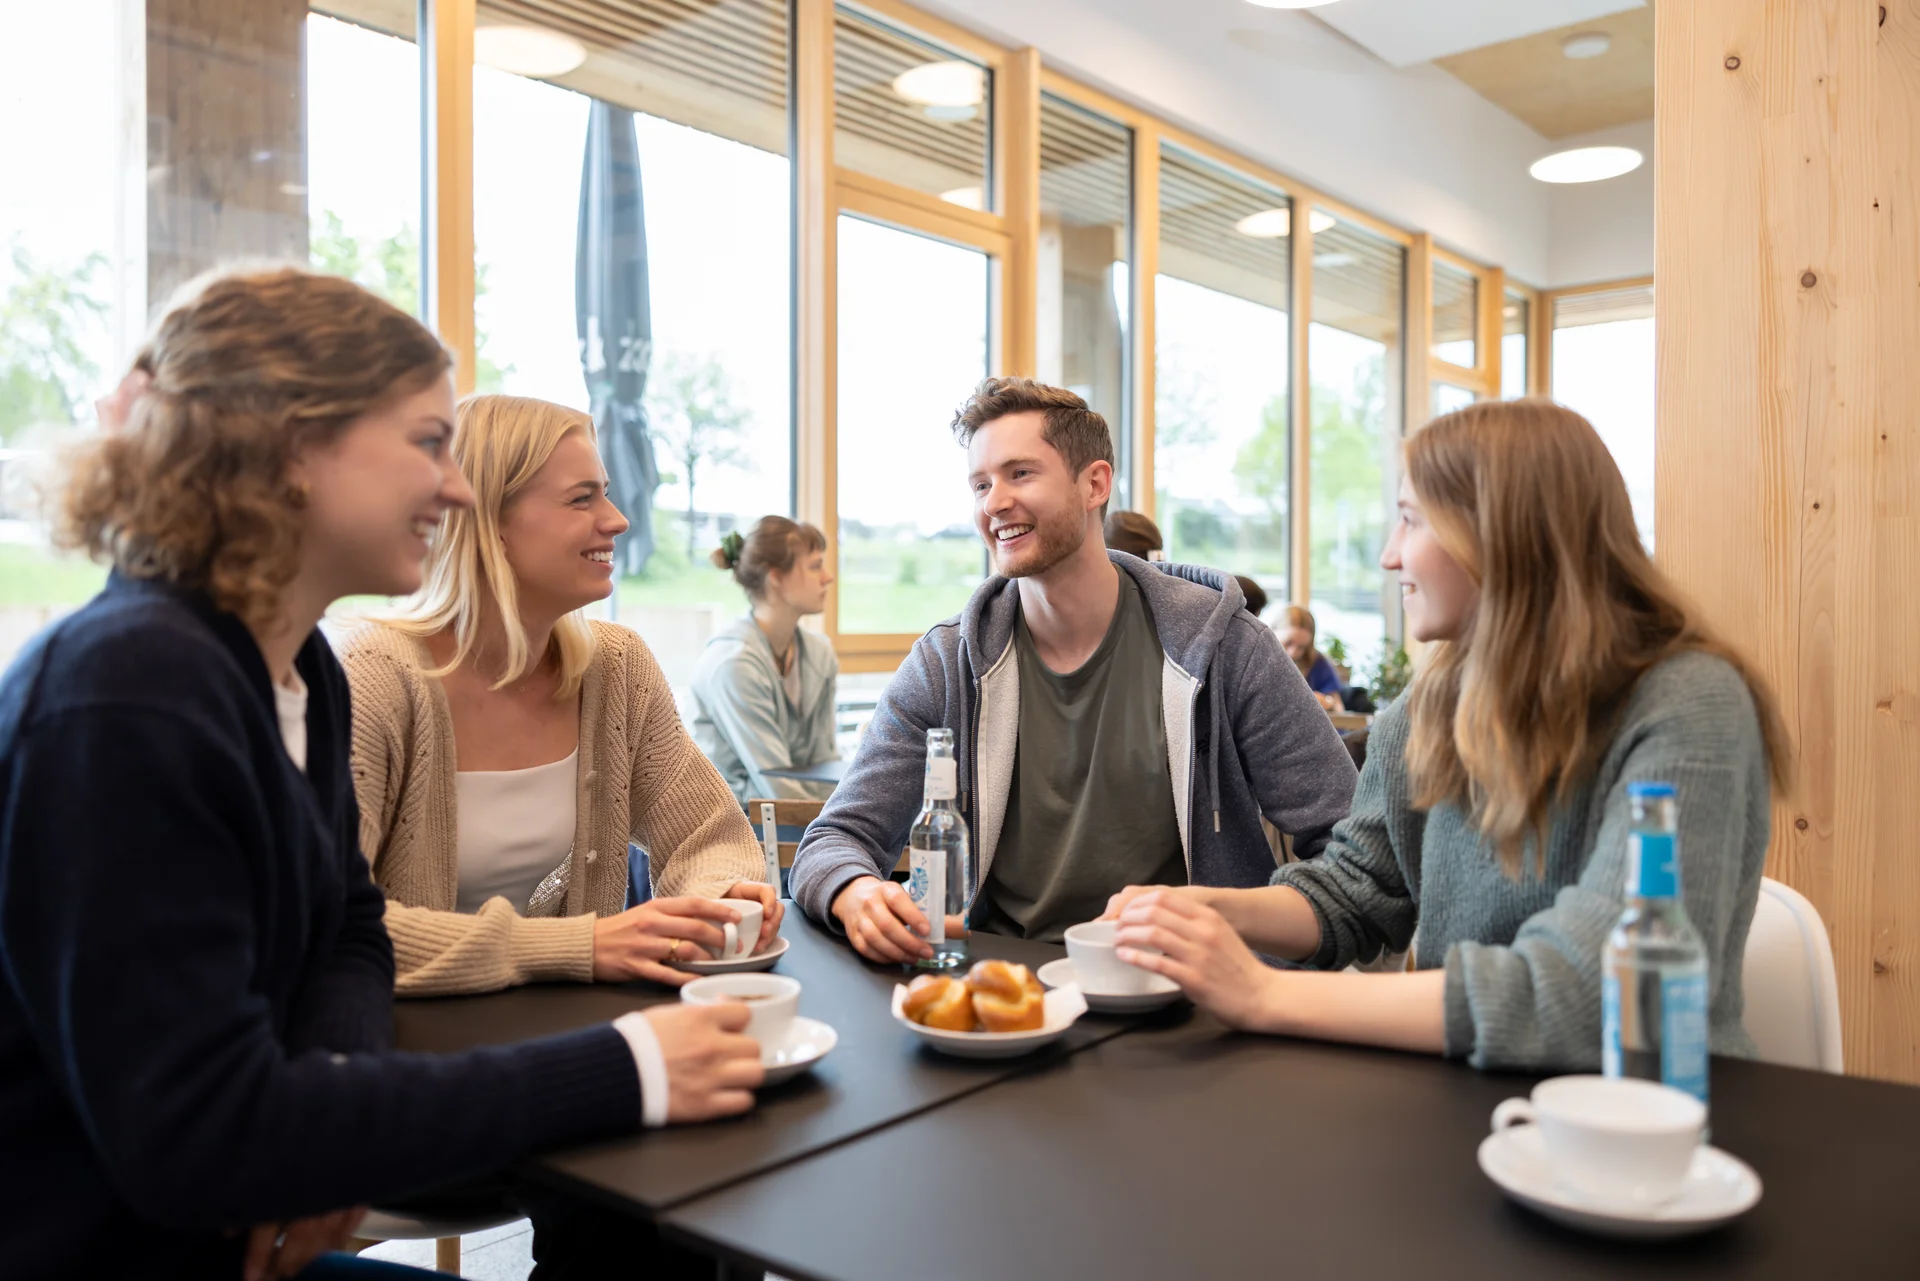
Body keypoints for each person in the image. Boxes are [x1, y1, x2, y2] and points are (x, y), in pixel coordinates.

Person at [0, 268, 763, 1281]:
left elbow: (348, 930)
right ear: (292, 448)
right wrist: (622, 1069)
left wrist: (323, 1118)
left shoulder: (295, 667)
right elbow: (196, 1137)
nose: (450, 487)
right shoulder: (127, 693)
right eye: (426, 443)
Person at [1105, 400, 1790, 1072]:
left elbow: (1597, 989)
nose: (1388, 556)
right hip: (1469, 1101)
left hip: (1655, 1125)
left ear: (1502, 533)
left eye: (1410, 520)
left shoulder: (1689, 705)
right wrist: (1206, 909)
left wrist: (1263, 992)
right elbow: (1357, 887)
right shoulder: (1428, 709)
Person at [790, 377, 1357, 957]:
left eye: (1020, 473)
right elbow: (834, 839)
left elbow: (1351, 850)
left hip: (1191, 998)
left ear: (1094, 484)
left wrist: (1239, 929)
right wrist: (856, 892)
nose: (993, 503)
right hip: (1009, 991)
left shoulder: (1228, 648)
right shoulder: (946, 664)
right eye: (981, 484)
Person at [342, 394, 777, 1000]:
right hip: (407, 1057)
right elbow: (331, 922)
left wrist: (716, 902)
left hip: (565, 1037)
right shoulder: (376, 679)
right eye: (583, 498)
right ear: (485, 515)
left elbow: (710, 836)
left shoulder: (617, 667)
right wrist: (583, 947)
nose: (618, 519)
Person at [690, 517, 840, 803]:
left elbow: (826, 765)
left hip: (795, 824)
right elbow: (777, 784)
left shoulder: (820, 654)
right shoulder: (734, 665)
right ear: (776, 578)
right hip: (729, 830)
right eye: (815, 566)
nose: (827, 577)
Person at [1277, 604, 1346, 712]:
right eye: (1288, 643)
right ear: (1271, 632)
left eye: (1302, 647)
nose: (1293, 652)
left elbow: (1339, 708)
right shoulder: (1256, 661)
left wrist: (1327, 702)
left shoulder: (1318, 663)